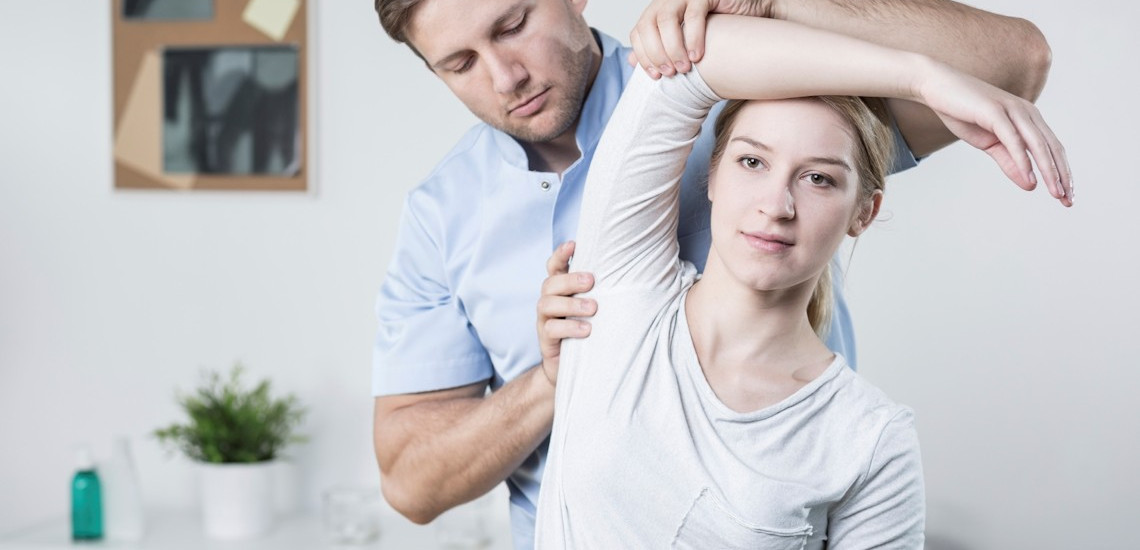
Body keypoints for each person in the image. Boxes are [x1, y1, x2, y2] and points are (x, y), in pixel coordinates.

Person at [368, 0, 1068, 547]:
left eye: (514, 24)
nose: (505, 76)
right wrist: (558, 377)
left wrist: (761, 7)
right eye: (459, 63)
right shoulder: (441, 214)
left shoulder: (750, 95)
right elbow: (410, 482)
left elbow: (1011, 61)